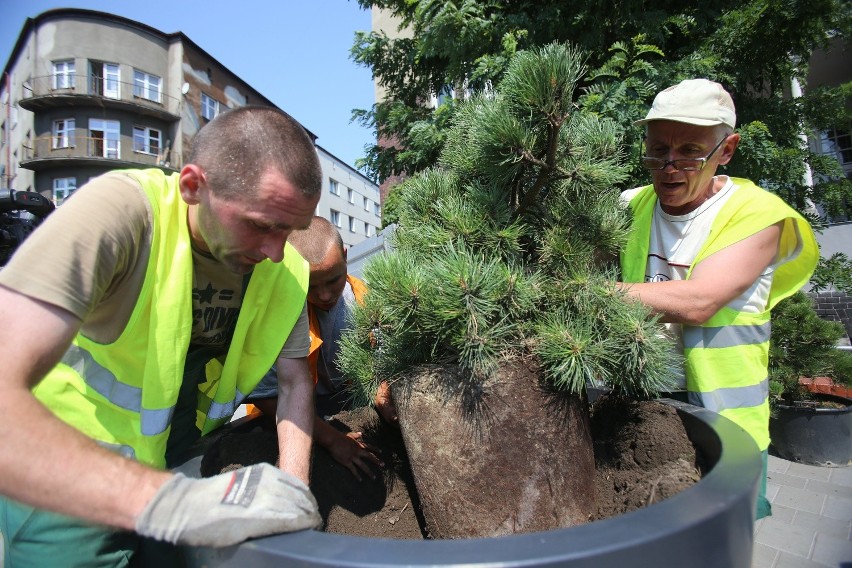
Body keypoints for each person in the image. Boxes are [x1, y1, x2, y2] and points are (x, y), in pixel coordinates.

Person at [0, 105, 325, 566]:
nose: (276, 252)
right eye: (260, 225)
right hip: (65, 486)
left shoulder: (286, 270)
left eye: (291, 231)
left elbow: (294, 383)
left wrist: (293, 500)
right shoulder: (122, 213)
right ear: (193, 186)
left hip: (180, 471)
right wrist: (171, 503)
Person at [618, 79, 819, 519]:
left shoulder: (760, 215)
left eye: (690, 151)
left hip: (723, 418)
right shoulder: (631, 207)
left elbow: (699, 301)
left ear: (726, 149)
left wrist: (589, 293)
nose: (669, 166)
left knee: (720, 541)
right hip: (644, 406)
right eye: (657, 150)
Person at [247, 216, 398, 482]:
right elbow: (267, 396)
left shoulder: (365, 301)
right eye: (311, 285)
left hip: (342, 400)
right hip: (288, 416)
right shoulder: (279, 314)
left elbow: (382, 360)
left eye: (333, 280)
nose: (325, 295)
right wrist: (332, 439)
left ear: (345, 256)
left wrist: (381, 390)